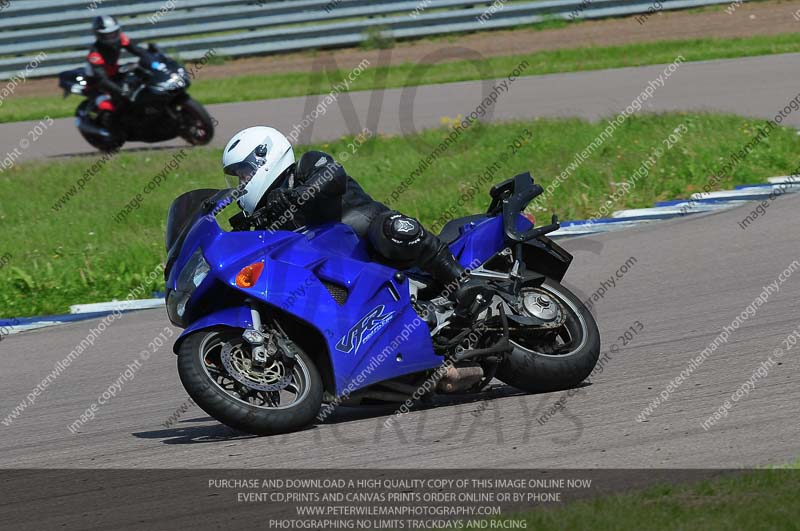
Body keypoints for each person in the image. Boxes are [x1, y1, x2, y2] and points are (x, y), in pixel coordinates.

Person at [221, 126, 491, 316]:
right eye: (238, 178)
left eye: (243, 174)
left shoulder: (308, 164)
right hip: (345, 275)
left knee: (392, 230)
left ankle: (462, 282)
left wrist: (297, 194)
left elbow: (331, 176)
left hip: (372, 242)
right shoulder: (268, 216)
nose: (242, 183)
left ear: (263, 158)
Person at [86, 15, 147, 114]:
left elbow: (138, 51)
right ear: (98, 35)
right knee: (108, 107)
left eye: (113, 33)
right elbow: (102, 80)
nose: (110, 37)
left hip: (114, 73)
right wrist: (122, 92)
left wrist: (153, 56)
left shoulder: (121, 39)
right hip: (96, 83)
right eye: (106, 35)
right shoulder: (95, 55)